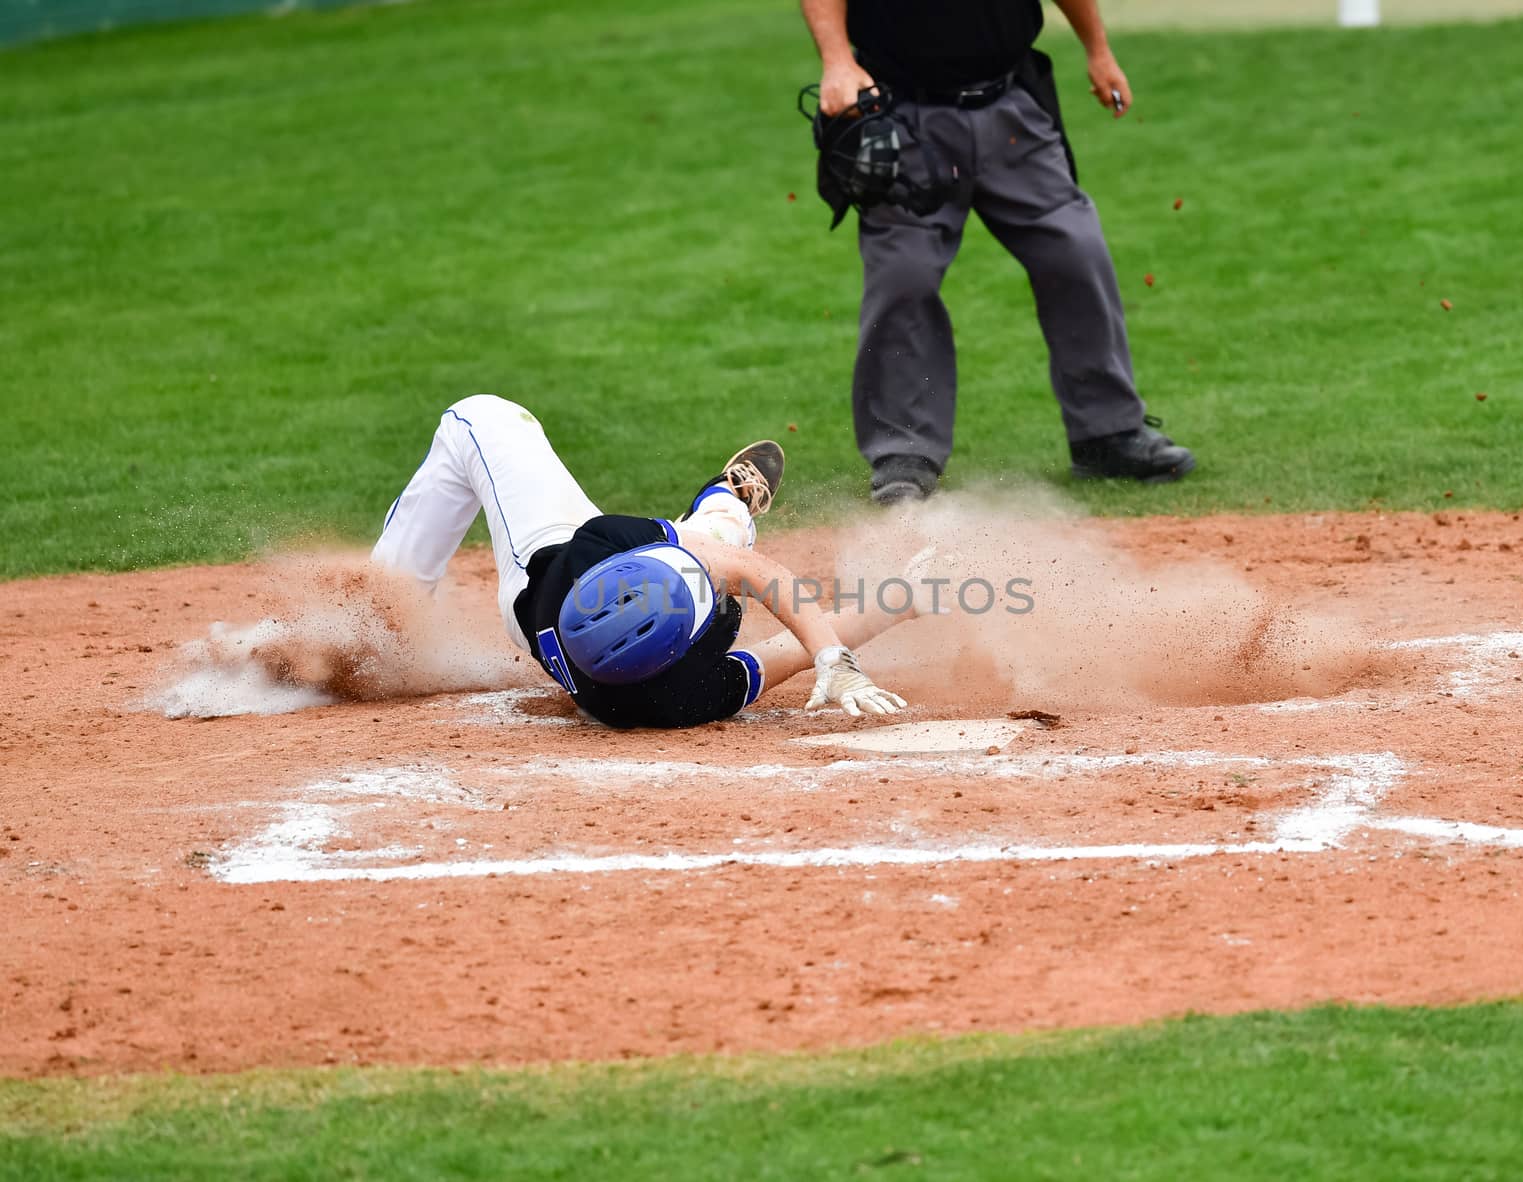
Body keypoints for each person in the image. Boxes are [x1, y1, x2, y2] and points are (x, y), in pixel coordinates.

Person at [800, 0, 1196, 504]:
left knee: (1075, 249)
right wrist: (837, 60)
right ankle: (903, 454)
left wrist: (1098, 50)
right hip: (903, 117)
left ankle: (1108, 433)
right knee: (905, 277)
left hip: (1013, 110)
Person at [370, 395, 914, 728]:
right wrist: (893, 606)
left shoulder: (595, 547)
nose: (718, 573)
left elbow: (747, 572)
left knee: (478, 415)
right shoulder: (675, 700)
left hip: (537, 574)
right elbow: (778, 634)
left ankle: (374, 626)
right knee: (722, 533)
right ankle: (725, 504)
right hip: (582, 606)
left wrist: (833, 660)